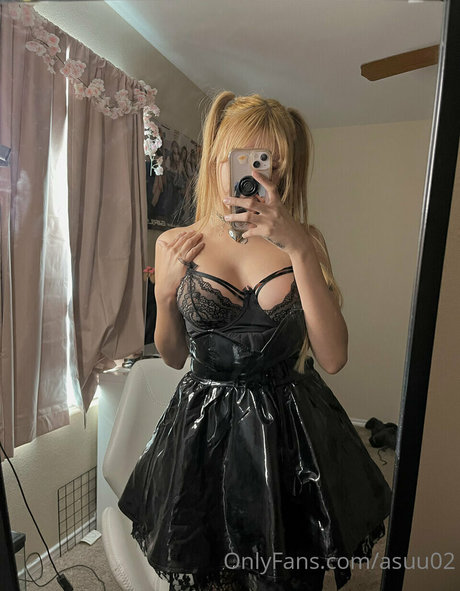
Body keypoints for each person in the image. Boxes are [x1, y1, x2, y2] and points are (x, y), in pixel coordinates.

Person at [117, 91, 393, 591]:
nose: (257, 175)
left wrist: (299, 248)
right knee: (208, 569)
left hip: (289, 435)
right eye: (244, 159)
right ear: (218, 160)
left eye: (270, 163)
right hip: (204, 430)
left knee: (286, 570)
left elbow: (333, 358)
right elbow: (174, 356)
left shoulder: (305, 241)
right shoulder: (175, 242)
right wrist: (164, 294)